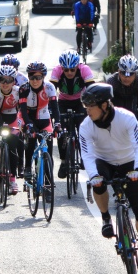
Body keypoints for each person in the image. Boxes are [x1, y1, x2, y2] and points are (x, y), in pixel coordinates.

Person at [79, 83, 138, 274]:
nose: (87, 111)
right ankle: (106, 218)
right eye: (85, 107)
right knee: (98, 181)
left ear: (104, 105)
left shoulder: (126, 118)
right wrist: (94, 176)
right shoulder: (86, 126)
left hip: (129, 163)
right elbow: (87, 155)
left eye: (90, 106)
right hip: (104, 162)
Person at [50, 49, 95, 178]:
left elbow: (92, 89)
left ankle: (83, 158)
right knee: (61, 133)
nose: (69, 73)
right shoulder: (56, 71)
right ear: (62, 68)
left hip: (81, 102)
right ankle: (64, 162)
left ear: (77, 67)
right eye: (66, 70)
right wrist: (51, 111)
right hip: (63, 102)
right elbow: (51, 91)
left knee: (83, 130)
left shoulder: (84, 69)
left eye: (72, 70)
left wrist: (92, 107)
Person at [0, 65, 25, 195]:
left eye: (9, 80)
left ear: (14, 81)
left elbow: (22, 111)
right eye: (2, 80)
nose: (5, 83)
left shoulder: (19, 92)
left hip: (13, 116)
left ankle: (12, 179)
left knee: (13, 149)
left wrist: (21, 125)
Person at [18, 61, 60, 180]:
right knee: (31, 140)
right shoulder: (24, 89)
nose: (35, 81)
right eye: (32, 77)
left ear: (43, 77)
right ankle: (27, 168)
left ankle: (48, 179)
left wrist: (57, 124)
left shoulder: (49, 87)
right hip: (26, 117)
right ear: (28, 77)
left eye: (38, 77)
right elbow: (23, 110)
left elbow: (55, 109)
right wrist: (28, 125)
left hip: (44, 119)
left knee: (49, 149)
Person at [106, 55, 138, 123]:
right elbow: (106, 102)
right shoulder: (111, 81)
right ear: (119, 72)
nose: (127, 78)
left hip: (133, 114)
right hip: (115, 114)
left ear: (135, 73)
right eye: (124, 74)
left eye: (131, 74)